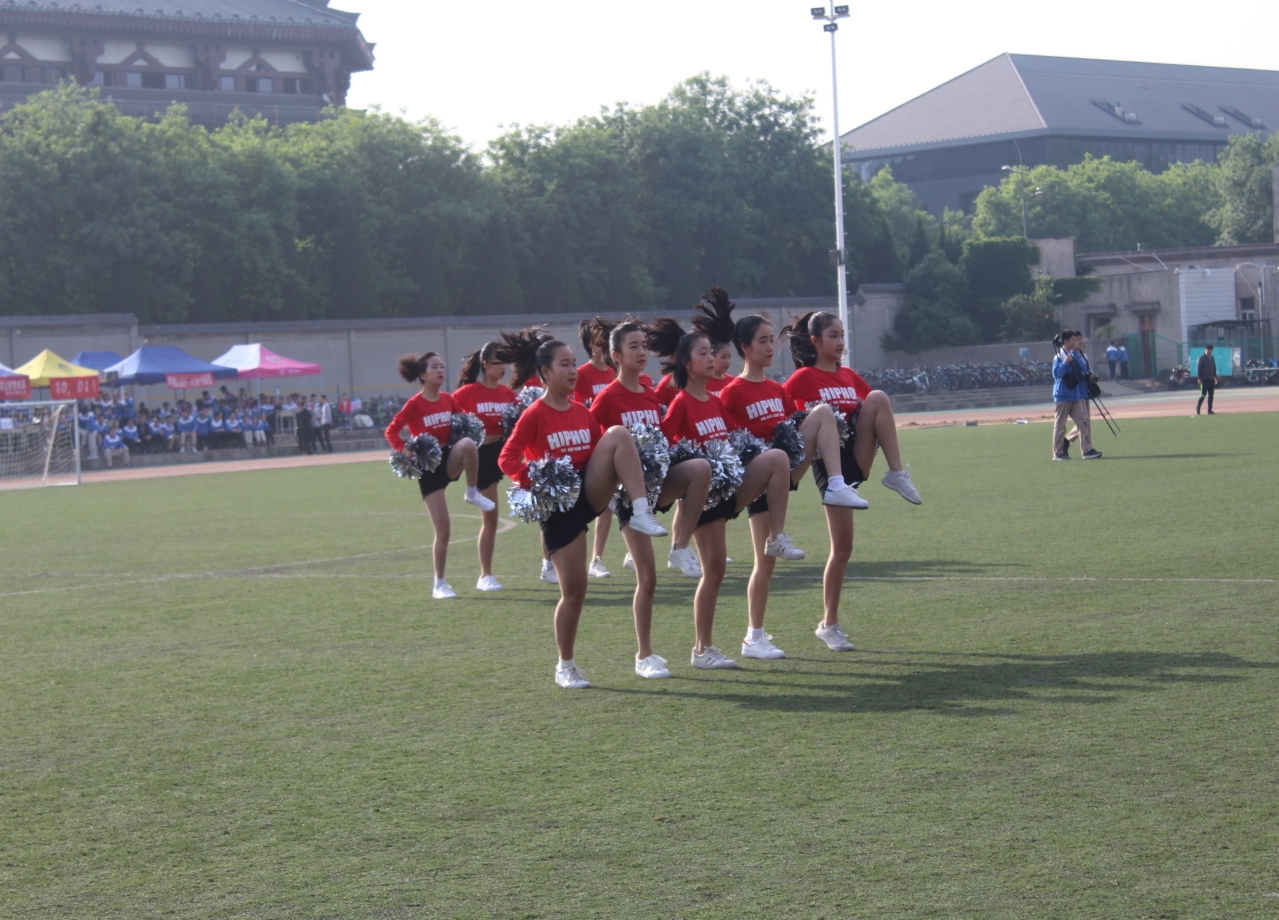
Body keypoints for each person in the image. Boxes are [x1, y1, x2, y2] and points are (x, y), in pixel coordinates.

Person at [498, 333, 668, 689]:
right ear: (545, 372)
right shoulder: (535, 414)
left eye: (575, 364)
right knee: (575, 593)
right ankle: (565, 665)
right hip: (560, 511)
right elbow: (507, 458)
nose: (573, 370)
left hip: (588, 494)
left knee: (618, 434)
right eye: (565, 365)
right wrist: (539, 479)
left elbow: (597, 452)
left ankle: (639, 509)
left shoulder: (581, 411)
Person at [650, 314, 803, 669]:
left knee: (776, 457)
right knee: (715, 571)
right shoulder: (681, 403)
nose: (711, 358)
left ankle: (777, 537)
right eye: (702, 353)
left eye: (710, 352)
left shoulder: (716, 402)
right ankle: (702, 650)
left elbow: (737, 439)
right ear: (687, 363)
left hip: (726, 488)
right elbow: (665, 443)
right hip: (703, 498)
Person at [590, 320, 711, 677]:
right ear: (615, 355)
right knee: (648, 578)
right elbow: (597, 444)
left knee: (700, 468)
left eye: (644, 346)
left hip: (656, 484)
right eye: (633, 347)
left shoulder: (648, 393)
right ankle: (644, 656)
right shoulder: (607, 398)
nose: (642, 352)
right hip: (629, 499)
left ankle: (680, 547)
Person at [386, 352, 496, 599]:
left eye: (442, 366)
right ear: (423, 375)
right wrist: (405, 451)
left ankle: (472, 493)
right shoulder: (414, 404)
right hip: (429, 470)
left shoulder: (448, 399)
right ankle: (439, 584)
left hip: (449, 460)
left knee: (467, 443)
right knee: (444, 530)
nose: (440, 370)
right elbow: (392, 431)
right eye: (434, 367)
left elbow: (463, 424)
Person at [452, 342, 517, 592]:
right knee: (491, 518)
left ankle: (548, 566)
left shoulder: (510, 395)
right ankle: (485, 576)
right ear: (486, 365)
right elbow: (450, 417)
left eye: (506, 363)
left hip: (505, 454)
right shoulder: (466, 393)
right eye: (498, 362)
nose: (503, 367)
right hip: (482, 457)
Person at [573, 318, 621, 577]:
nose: (601, 345)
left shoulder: (615, 372)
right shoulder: (580, 375)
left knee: (615, 503)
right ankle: (556, 561)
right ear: (591, 345)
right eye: (597, 341)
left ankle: (600, 560)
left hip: (615, 447)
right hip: (591, 448)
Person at [1052, 329, 1102, 461]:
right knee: (1060, 425)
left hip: (1075, 395)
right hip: (1062, 395)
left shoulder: (1075, 354)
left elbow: (1083, 369)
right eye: (1073, 340)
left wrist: (1074, 355)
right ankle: (1058, 453)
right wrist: (1066, 362)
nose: (1076, 342)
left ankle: (1087, 450)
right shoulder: (1059, 357)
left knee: (1083, 420)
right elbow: (1056, 374)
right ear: (1066, 341)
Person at [1196, 344, 1219, 415]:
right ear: (1205, 350)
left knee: (1211, 395)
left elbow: (1214, 368)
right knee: (1203, 394)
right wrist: (1199, 378)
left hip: (1211, 379)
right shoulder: (1201, 358)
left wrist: (1215, 377)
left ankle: (1209, 410)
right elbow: (1198, 368)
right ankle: (1198, 408)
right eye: (1207, 350)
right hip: (1204, 379)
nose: (1209, 351)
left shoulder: (1212, 358)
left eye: (1210, 350)